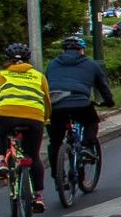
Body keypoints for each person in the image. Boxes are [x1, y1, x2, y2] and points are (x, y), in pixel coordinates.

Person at [0, 41, 52, 209]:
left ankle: (0, 162)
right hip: (33, 119)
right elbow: (46, 101)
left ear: (7, 59)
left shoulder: (1, 76)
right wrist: (46, 119)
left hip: (5, 116)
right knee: (33, 157)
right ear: (29, 60)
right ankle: (38, 196)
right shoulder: (38, 76)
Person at [44, 35, 115, 182]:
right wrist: (109, 102)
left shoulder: (52, 64)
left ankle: (57, 176)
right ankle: (87, 147)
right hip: (79, 103)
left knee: (55, 141)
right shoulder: (91, 64)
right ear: (81, 50)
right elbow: (102, 86)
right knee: (91, 122)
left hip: (55, 105)